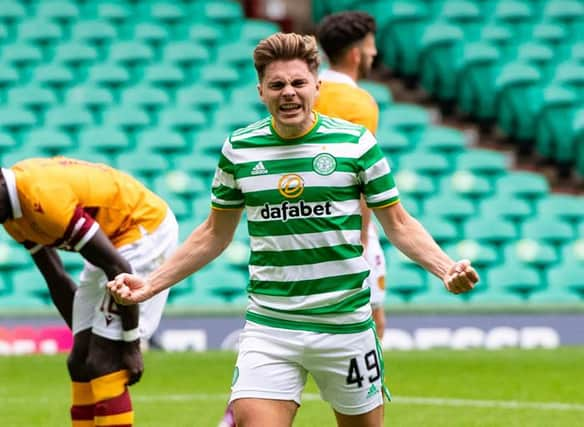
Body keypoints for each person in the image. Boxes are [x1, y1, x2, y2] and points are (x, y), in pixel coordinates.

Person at [108, 33, 479, 427]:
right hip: (272, 327)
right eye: (277, 85)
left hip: (345, 325)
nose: (289, 93)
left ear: (317, 87)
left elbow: (399, 224)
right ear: (261, 91)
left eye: (298, 83)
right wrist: (150, 285)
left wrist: (445, 268)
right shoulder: (239, 150)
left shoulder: (355, 144)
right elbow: (213, 233)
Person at [0, 157, 178, 427]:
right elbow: (56, 278)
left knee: (105, 360)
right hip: (110, 245)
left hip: (141, 230)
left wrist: (130, 344)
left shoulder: (40, 197)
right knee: (81, 361)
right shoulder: (10, 215)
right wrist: (85, 336)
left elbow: (118, 267)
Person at [314, 11, 387, 340]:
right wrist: (363, 237)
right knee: (372, 323)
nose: (374, 54)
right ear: (356, 54)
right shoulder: (359, 103)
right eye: (371, 47)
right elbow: (361, 176)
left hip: (305, 221)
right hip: (346, 222)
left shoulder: (308, 92)